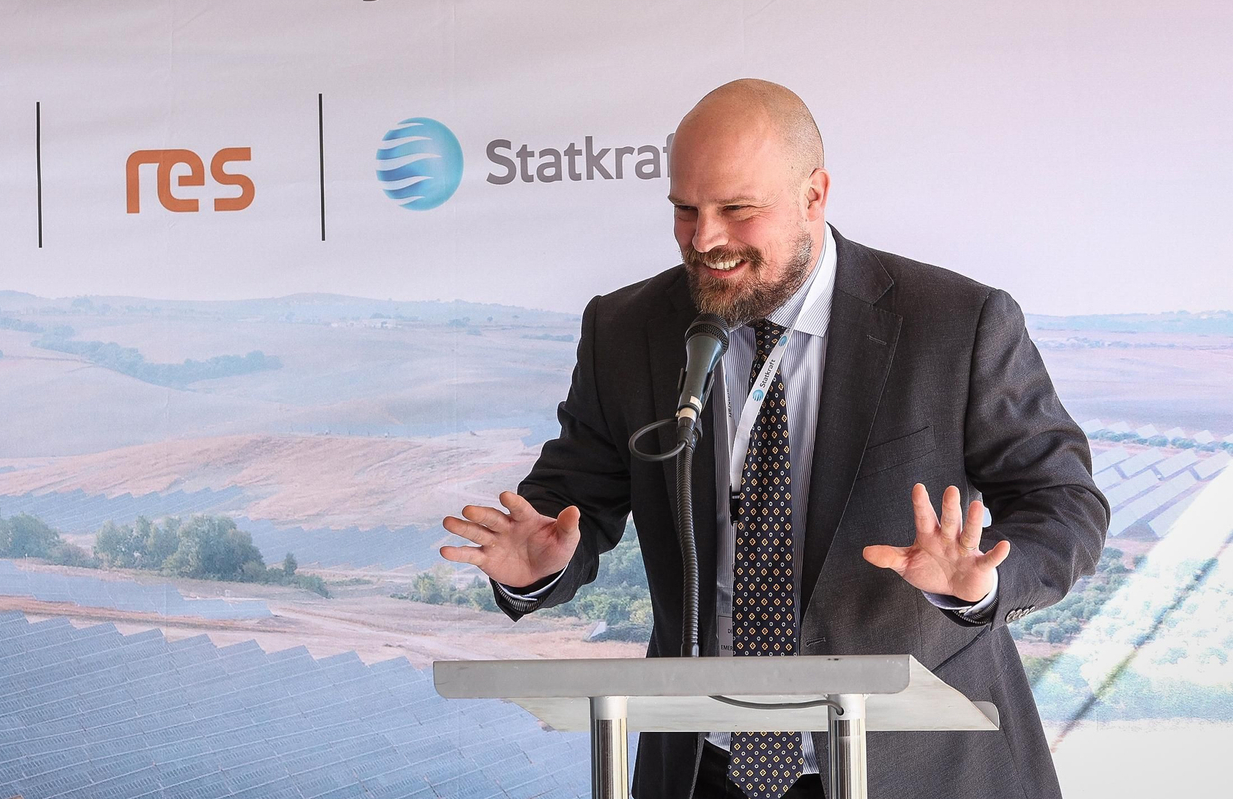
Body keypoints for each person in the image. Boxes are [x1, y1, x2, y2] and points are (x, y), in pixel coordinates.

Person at [439, 79, 1109, 799]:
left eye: (737, 210)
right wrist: (537, 563)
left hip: (921, 769)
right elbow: (569, 504)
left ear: (814, 196)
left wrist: (987, 581)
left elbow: (1064, 500)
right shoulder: (626, 328)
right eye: (685, 211)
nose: (706, 240)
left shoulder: (956, 322)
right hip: (706, 770)